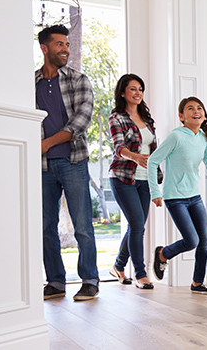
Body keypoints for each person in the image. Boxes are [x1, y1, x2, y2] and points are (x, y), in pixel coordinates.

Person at [35, 24, 99, 301]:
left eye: (67, 44)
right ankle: (55, 281)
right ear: (44, 48)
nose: (65, 49)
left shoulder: (78, 80)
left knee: (82, 224)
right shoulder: (30, 83)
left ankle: (90, 279)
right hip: (41, 167)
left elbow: (81, 121)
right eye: (60, 44)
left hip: (73, 161)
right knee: (46, 226)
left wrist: (46, 144)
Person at [149, 96, 207, 294]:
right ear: (181, 116)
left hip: (194, 196)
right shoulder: (176, 136)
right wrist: (155, 192)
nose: (196, 111)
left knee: (205, 241)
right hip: (174, 197)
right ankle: (163, 254)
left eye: (199, 108)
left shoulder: (202, 138)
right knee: (191, 241)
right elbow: (152, 161)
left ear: (204, 115)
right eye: (190, 108)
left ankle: (197, 283)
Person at [108, 74, 161, 289]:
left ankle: (118, 267)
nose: (138, 93)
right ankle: (141, 274)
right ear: (123, 93)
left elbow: (154, 150)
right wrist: (136, 157)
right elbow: (118, 147)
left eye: (140, 89)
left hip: (145, 180)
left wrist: (156, 180)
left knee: (136, 226)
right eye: (133, 89)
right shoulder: (117, 118)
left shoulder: (147, 120)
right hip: (123, 177)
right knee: (138, 225)